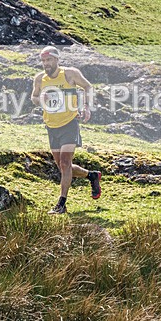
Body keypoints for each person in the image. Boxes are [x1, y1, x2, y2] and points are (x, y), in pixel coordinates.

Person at [31, 46, 102, 214]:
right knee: (63, 167)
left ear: (56, 59)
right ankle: (91, 175)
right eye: (43, 61)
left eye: (49, 60)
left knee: (65, 163)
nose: (46, 64)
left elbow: (88, 87)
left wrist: (86, 106)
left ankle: (61, 204)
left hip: (69, 123)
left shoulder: (70, 74)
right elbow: (34, 97)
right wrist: (40, 98)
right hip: (51, 125)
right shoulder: (40, 79)